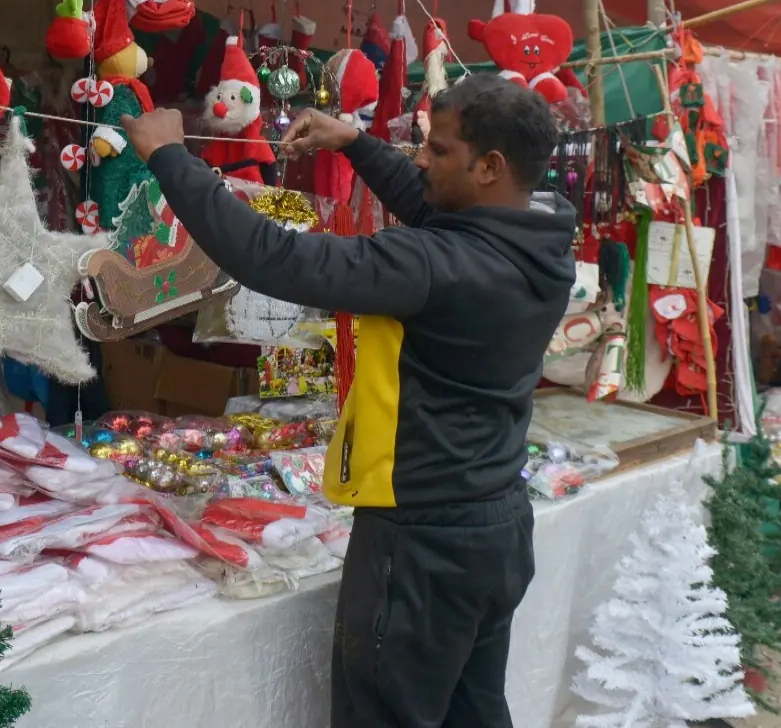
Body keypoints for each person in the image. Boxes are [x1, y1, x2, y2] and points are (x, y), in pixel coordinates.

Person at [120, 73, 575, 728]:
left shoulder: (435, 265)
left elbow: (273, 258)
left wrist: (170, 158)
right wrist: (354, 143)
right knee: (474, 714)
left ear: (490, 167)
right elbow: (436, 212)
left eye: (438, 150)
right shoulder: (542, 233)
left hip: (422, 546)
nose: (420, 158)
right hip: (497, 529)